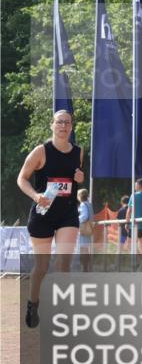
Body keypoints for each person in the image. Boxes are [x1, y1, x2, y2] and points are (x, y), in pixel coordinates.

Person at [16, 109, 84, 328]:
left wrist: (80, 179)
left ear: (71, 127)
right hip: (43, 213)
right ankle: (32, 304)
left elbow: (74, 181)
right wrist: (36, 196)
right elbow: (22, 179)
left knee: (64, 262)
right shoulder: (41, 152)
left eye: (67, 123)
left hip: (67, 212)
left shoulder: (78, 152)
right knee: (42, 266)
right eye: (59, 122)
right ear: (52, 125)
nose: (63, 126)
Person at [77, 188, 94, 272]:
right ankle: (87, 266)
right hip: (89, 228)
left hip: (83, 228)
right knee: (86, 248)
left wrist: (76, 219)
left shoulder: (83, 204)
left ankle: (84, 267)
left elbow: (84, 216)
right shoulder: (89, 204)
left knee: (83, 248)